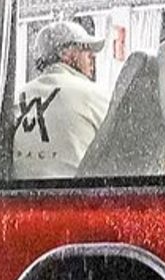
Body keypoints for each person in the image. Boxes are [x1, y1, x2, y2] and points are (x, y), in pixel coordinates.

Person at [12, 21, 110, 179]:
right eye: (86, 49)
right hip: (74, 200)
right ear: (65, 54)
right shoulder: (93, 95)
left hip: (20, 200)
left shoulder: (18, 97)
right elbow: (123, 151)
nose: (92, 57)